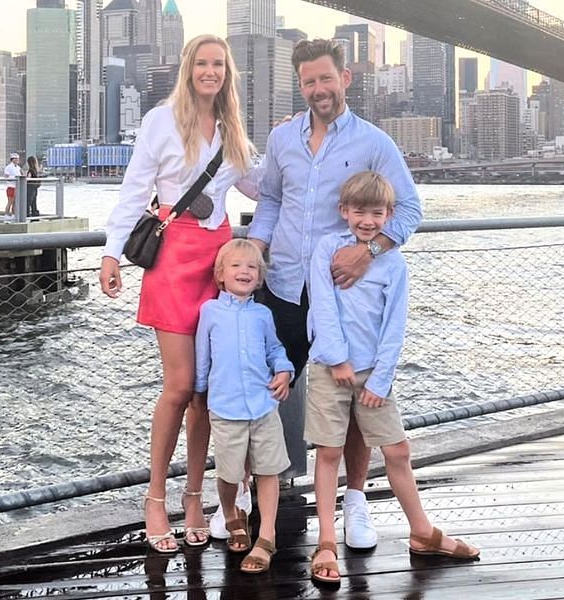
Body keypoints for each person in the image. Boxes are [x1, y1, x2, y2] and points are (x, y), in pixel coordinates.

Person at [247, 38, 423, 553]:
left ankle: (354, 500)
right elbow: (271, 201)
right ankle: (262, 500)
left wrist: (368, 250)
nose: (318, 89)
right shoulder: (282, 139)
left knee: (347, 402)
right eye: (309, 82)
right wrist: (255, 251)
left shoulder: (374, 143)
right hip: (281, 285)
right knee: (268, 389)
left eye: (326, 78)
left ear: (345, 78)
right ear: (299, 85)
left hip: (343, 293)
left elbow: (409, 210)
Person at [98, 34, 260, 553]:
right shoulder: (160, 121)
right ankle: (153, 497)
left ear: (227, 72)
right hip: (171, 260)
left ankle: (195, 498)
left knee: (206, 393)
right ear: (188, 68)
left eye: (218, 64)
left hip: (216, 259)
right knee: (180, 384)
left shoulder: (233, 128)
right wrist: (109, 254)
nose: (210, 72)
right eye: (202, 63)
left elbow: (262, 186)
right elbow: (133, 190)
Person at [305, 172, 478, 585]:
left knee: (398, 450)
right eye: (359, 211)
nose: (367, 220)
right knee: (329, 452)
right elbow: (322, 305)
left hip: (373, 374)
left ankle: (422, 532)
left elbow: (393, 326)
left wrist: (380, 379)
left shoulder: (393, 263)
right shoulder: (327, 248)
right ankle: (326, 540)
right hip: (331, 369)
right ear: (343, 212)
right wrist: (337, 359)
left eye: (376, 212)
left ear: (389, 215)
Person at [193, 239, 293, 573]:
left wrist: (284, 369)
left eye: (251, 267)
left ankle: (267, 533)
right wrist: (200, 392)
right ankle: (232, 514)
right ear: (220, 275)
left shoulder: (263, 315)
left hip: (263, 405)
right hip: (225, 408)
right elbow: (202, 358)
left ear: (260, 277)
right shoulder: (209, 312)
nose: (244, 271)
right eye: (235, 265)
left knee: (268, 469)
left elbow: (275, 349)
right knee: (229, 472)